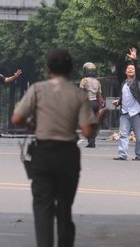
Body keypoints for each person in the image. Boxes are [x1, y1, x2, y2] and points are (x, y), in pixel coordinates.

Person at [11, 49, 106, 247]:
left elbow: (17, 118)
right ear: (71, 70)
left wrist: (34, 126)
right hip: (68, 155)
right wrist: (99, 119)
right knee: (64, 209)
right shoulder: (78, 95)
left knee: (42, 207)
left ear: (47, 69)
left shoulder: (37, 89)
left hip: (42, 154)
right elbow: (88, 132)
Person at [112, 46, 140, 161]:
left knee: (139, 136)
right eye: (129, 69)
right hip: (125, 112)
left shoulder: (138, 81)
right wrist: (118, 102)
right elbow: (124, 97)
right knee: (123, 134)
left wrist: (135, 60)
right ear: (125, 71)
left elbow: (139, 72)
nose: (131, 70)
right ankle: (122, 154)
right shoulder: (124, 83)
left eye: (133, 69)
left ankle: (139, 155)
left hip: (137, 112)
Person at [79, 62, 105, 148]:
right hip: (95, 104)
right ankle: (92, 141)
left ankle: (91, 141)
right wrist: (100, 107)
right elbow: (99, 96)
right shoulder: (97, 82)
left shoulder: (84, 80)